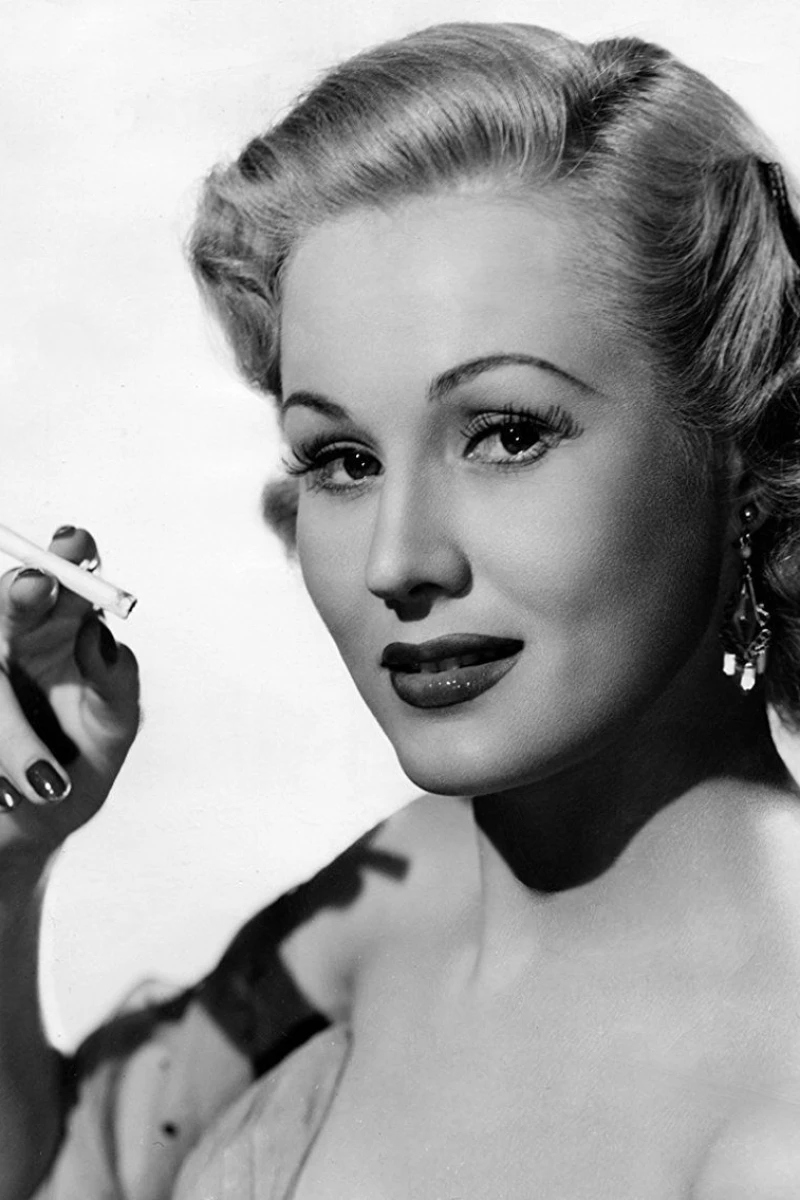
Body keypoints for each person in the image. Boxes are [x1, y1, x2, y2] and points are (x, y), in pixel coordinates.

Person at [1, 19, 800, 1200]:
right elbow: (55, 1178)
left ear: (742, 449)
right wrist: (11, 862)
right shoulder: (402, 888)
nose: (394, 561)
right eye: (342, 460)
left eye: (506, 434)